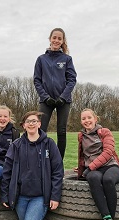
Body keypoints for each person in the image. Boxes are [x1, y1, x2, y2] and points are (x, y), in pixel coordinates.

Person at [1, 111, 64, 220]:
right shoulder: (16, 146)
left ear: (39, 124)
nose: (31, 123)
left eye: (34, 121)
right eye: (28, 121)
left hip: (40, 198)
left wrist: (55, 196)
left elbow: (57, 171)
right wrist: (5, 195)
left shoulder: (49, 144)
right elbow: (6, 172)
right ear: (23, 126)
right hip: (20, 199)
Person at [76, 108, 119, 220]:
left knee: (108, 180)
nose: (86, 121)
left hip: (110, 166)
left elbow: (108, 152)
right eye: (83, 119)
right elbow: (83, 155)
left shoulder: (104, 132)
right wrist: (81, 168)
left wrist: (90, 167)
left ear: (95, 119)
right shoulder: (81, 136)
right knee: (92, 178)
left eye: (89, 118)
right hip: (94, 169)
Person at [33, 27, 77, 159]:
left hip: (63, 101)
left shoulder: (67, 59)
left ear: (63, 41)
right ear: (50, 39)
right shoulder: (41, 59)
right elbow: (37, 80)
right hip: (46, 100)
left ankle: (58, 162)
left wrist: (63, 97)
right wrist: (45, 97)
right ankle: (40, 160)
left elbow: (72, 80)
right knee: (41, 130)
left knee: (61, 131)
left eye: (59, 38)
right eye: (54, 37)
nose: (56, 40)